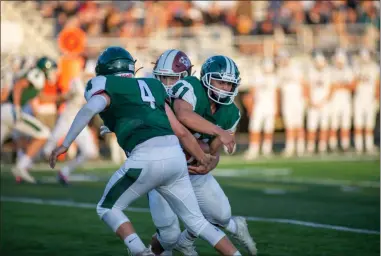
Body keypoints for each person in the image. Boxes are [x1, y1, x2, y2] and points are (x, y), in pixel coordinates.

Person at [49, 46, 242, 256]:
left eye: (172, 79)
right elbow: (180, 131)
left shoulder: (111, 85)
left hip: (148, 159)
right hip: (175, 161)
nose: (167, 85)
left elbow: (91, 108)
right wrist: (203, 157)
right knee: (183, 228)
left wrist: (66, 143)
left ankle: (140, 252)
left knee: (108, 207)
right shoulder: (152, 86)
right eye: (164, 78)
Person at [148, 54, 257, 256]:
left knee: (222, 215)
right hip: (164, 168)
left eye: (228, 84)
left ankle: (188, 241)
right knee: (168, 234)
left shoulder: (232, 113)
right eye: (220, 81)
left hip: (192, 169)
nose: (224, 88)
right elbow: (183, 115)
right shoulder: (190, 86)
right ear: (206, 78)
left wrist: (209, 164)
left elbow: (213, 151)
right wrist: (218, 131)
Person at [1, 57, 56, 183]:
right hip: (11, 111)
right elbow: (19, 85)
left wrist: (62, 97)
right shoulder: (37, 74)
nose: (53, 72)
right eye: (51, 69)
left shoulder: (36, 76)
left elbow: (42, 97)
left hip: (5, 110)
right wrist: (17, 106)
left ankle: (21, 166)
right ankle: (21, 166)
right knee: (44, 133)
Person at [43, 70, 99, 185]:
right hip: (67, 119)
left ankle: (64, 172)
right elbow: (70, 90)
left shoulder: (98, 87)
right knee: (47, 147)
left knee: (90, 152)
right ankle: (24, 165)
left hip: (80, 121)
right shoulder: (77, 82)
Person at [245, 58, 279, 159]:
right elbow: (251, 93)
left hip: (270, 107)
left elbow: (276, 94)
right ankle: (253, 149)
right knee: (255, 128)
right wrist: (250, 107)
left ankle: (267, 149)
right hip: (258, 106)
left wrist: (277, 107)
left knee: (269, 128)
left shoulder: (274, 78)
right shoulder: (257, 77)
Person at [276, 50, 306, 157]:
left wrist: (304, 99)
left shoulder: (296, 69)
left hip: (297, 100)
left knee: (299, 124)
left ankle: (301, 147)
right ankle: (290, 147)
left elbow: (303, 84)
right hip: (287, 101)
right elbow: (279, 89)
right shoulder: (280, 71)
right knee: (289, 125)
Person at [305, 52, 332, 154]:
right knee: (311, 126)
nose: (319, 64)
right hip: (313, 103)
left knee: (324, 126)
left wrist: (323, 102)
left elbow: (331, 89)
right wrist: (310, 101)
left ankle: (322, 146)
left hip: (324, 103)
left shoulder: (328, 73)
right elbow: (307, 87)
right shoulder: (311, 72)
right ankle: (310, 146)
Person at [353, 49, 380, 154]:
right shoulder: (356, 68)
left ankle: (368, 145)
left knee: (369, 123)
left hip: (370, 99)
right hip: (359, 99)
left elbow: (377, 84)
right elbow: (353, 84)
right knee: (358, 123)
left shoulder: (374, 68)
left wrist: (377, 97)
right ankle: (359, 146)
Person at [329, 49, 354, 152]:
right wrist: (343, 85)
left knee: (345, 124)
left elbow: (352, 86)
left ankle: (345, 145)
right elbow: (331, 86)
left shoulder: (348, 71)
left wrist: (340, 86)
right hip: (334, 101)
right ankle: (332, 145)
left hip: (345, 101)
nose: (339, 62)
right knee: (334, 124)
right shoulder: (331, 71)